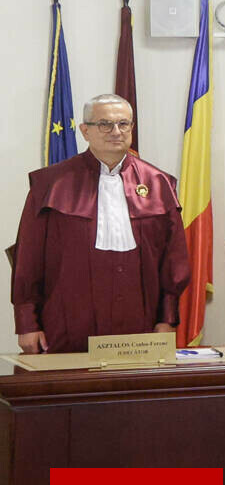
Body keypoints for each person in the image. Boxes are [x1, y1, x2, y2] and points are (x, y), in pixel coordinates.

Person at [12, 93, 187, 353]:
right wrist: (27, 322)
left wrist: (168, 318)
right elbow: (28, 258)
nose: (116, 131)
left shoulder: (159, 183)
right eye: (105, 124)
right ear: (85, 131)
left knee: (133, 379)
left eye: (123, 124)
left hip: (141, 321)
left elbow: (173, 259)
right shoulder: (49, 184)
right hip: (67, 321)